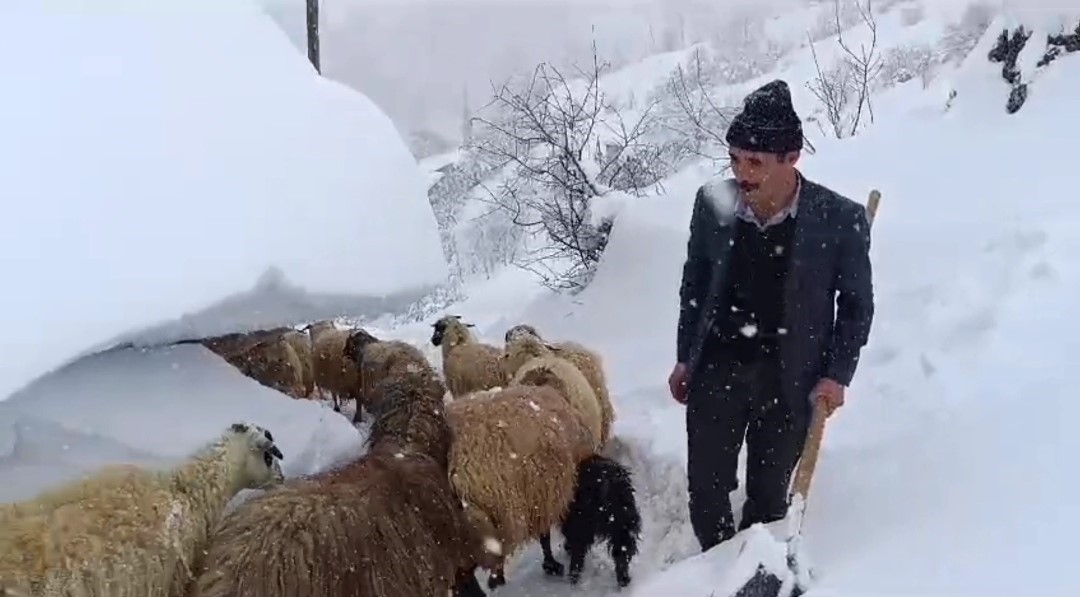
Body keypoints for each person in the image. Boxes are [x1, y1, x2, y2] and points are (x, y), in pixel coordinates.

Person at [667, 79, 875, 552]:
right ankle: (713, 567)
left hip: (789, 379)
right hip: (717, 369)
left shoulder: (838, 219)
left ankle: (752, 568)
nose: (742, 173)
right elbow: (694, 285)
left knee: (767, 498)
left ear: (791, 157)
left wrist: (836, 375)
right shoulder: (712, 204)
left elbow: (856, 306)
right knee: (706, 493)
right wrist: (685, 357)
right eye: (735, 159)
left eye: (755, 162)